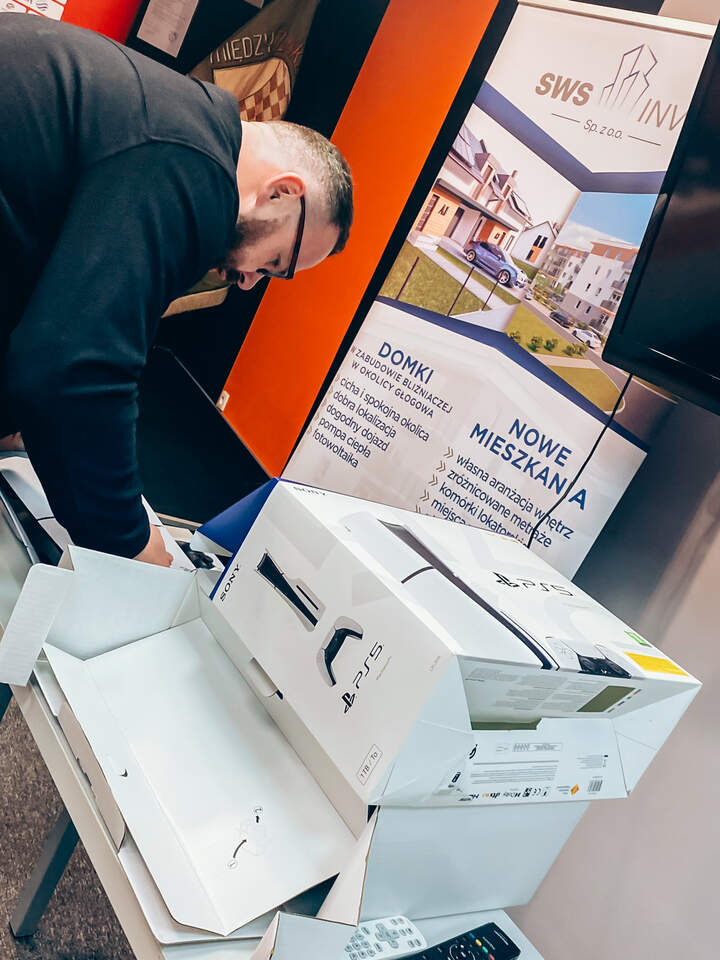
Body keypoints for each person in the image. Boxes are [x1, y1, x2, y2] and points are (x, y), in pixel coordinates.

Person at [0, 16, 353, 566]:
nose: (249, 281)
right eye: (275, 263)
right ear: (283, 192)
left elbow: (48, 290)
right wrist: (133, 544)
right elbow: (78, 366)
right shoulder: (193, 166)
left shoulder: (179, 124)